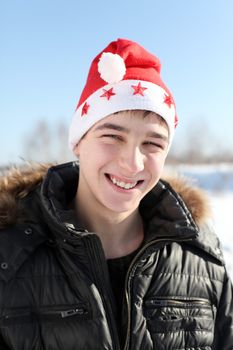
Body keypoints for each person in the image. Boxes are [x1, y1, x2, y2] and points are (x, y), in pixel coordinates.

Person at [0, 38, 232, 350]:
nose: (132, 163)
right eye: (112, 136)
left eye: (153, 143)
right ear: (79, 141)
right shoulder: (9, 256)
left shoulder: (201, 259)